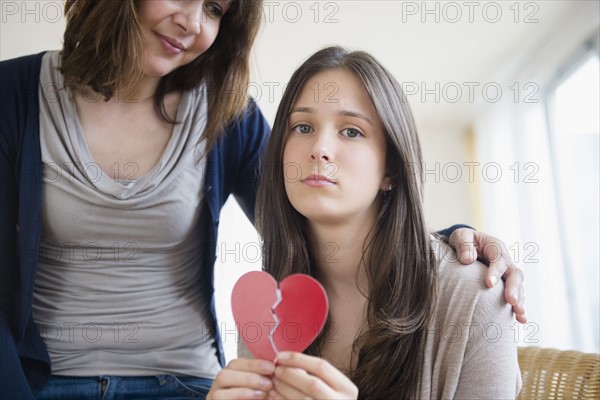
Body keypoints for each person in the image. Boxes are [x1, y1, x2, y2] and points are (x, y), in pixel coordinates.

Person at [0, 1, 523, 399]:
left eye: (215, 9)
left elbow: (309, 206)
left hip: (186, 382)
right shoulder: (14, 95)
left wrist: (450, 241)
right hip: (42, 380)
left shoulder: (226, 115)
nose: (192, 22)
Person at [208, 46, 522, 400]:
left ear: (391, 169)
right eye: (303, 126)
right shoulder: (267, 309)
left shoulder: (473, 299)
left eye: (351, 131)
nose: (320, 148)